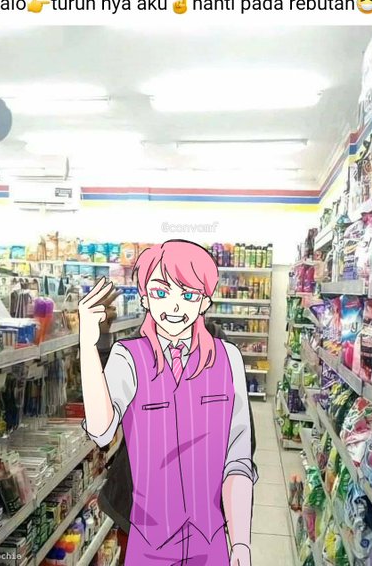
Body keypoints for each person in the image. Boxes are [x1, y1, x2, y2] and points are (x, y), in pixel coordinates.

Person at [79, 240, 255, 566]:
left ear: (204, 301)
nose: (174, 307)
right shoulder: (128, 356)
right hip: (145, 530)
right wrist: (87, 346)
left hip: (209, 530)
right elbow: (101, 431)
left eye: (188, 295)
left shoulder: (227, 358)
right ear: (145, 298)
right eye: (161, 292)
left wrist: (241, 543)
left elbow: (238, 455)